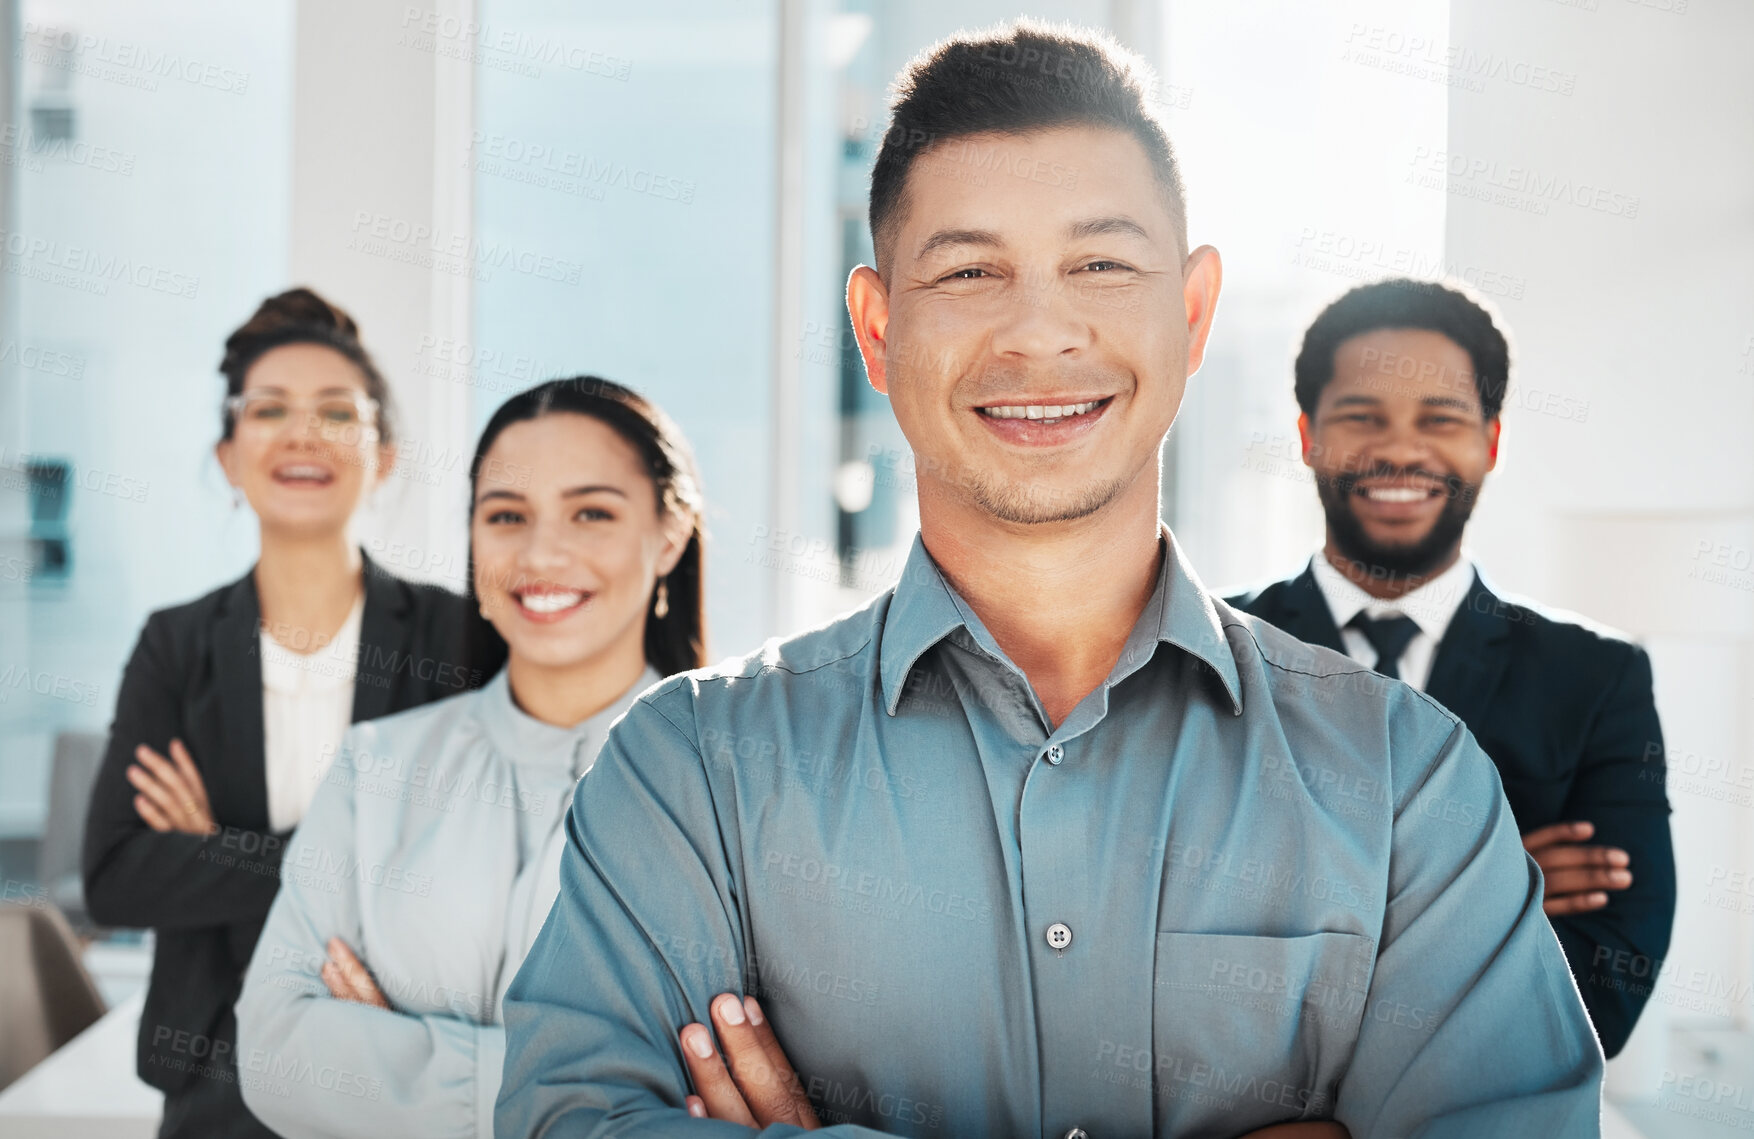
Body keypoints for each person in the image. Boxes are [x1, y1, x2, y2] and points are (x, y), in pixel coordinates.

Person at [496, 22, 1602, 1139]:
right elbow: (570, 1121)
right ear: (877, 331)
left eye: (1099, 263)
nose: (1037, 331)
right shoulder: (695, 770)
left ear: (1190, 310)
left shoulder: (1404, 778)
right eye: (970, 269)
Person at [235, 377, 707, 1138]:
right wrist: (588, 1092)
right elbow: (275, 1051)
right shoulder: (375, 766)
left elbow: (761, 1076)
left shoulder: (737, 786)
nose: (541, 551)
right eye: (506, 515)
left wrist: (397, 1060)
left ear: (670, 534)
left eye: (592, 511)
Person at [1227, 277, 1675, 1058]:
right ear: (1307, 435)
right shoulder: (1206, 645)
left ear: (1491, 442)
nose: (1401, 450)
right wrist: (1491, 890)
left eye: (1441, 418)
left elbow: (1603, 991)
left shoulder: (1598, 677)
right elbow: (1158, 956)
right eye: (1362, 416)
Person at [81, 287, 479, 1138]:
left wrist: (212, 846)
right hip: (213, 1076)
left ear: (385, 455)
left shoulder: (456, 635)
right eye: (270, 410)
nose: (303, 434)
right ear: (228, 455)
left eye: (338, 411)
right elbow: (115, 875)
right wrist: (339, 863)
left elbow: (460, 874)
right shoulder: (177, 644)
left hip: (406, 1068)